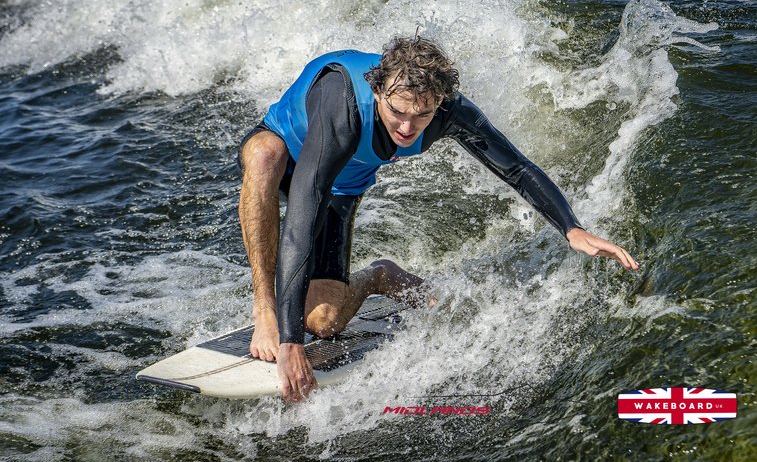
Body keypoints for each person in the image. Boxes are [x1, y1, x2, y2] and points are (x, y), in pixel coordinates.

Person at [238, 36, 639, 402]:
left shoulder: (450, 111)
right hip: (289, 155)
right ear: (377, 91)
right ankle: (264, 308)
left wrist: (571, 228)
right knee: (263, 156)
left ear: (440, 102)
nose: (407, 128)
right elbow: (301, 221)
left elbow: (516, 167)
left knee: (324, 323)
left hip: (342, 186)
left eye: (422, 115)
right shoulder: (341, 107)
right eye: (397, 112)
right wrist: (290, 342)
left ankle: (378, 276)